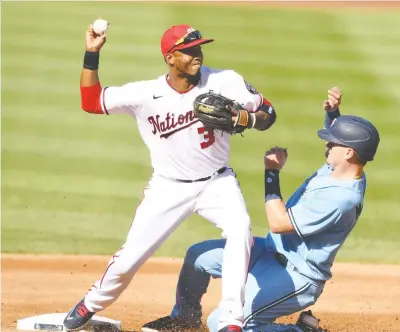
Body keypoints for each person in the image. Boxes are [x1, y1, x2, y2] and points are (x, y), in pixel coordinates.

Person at [63, 23, 277, 332]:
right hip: (168, 187)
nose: (197, 55)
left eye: (199, 48)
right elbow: (91, 101)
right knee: (127, 261)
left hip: (217, 183)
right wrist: (91, 53)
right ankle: (90, 304)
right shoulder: (145, 94)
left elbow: (268, 114)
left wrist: (247, 118)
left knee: (240, 228)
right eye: (189, 51)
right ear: (170, 58)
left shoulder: (225, 81)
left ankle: (233, 320)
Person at [151, 87, 380, 332]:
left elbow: (278, 223)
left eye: (332, 141)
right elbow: (344, 146)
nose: (327, 143)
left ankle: (302, 331)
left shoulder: (340, 197)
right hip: (269, 251)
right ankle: (184, 318)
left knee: (222, 324)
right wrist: (334, 114)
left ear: (348, 152)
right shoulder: (342, 170)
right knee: (198, 257)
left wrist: (271, 172)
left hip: (296, 277)